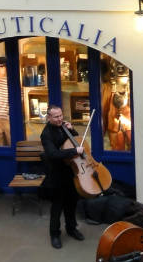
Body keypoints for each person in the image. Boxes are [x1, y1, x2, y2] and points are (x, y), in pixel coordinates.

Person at [39, 105, 87, 249]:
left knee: (71, 203)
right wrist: (74, 151)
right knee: (57, 206)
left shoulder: (64, 127)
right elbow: (53, 154)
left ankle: (72, 229)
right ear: (49, 117)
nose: (60, 119)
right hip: (56, 173)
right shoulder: (46, 134)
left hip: (71, 171)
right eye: (56, 117)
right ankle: (54, 234)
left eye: (61, 115)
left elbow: (76, 140)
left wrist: (72, 129)